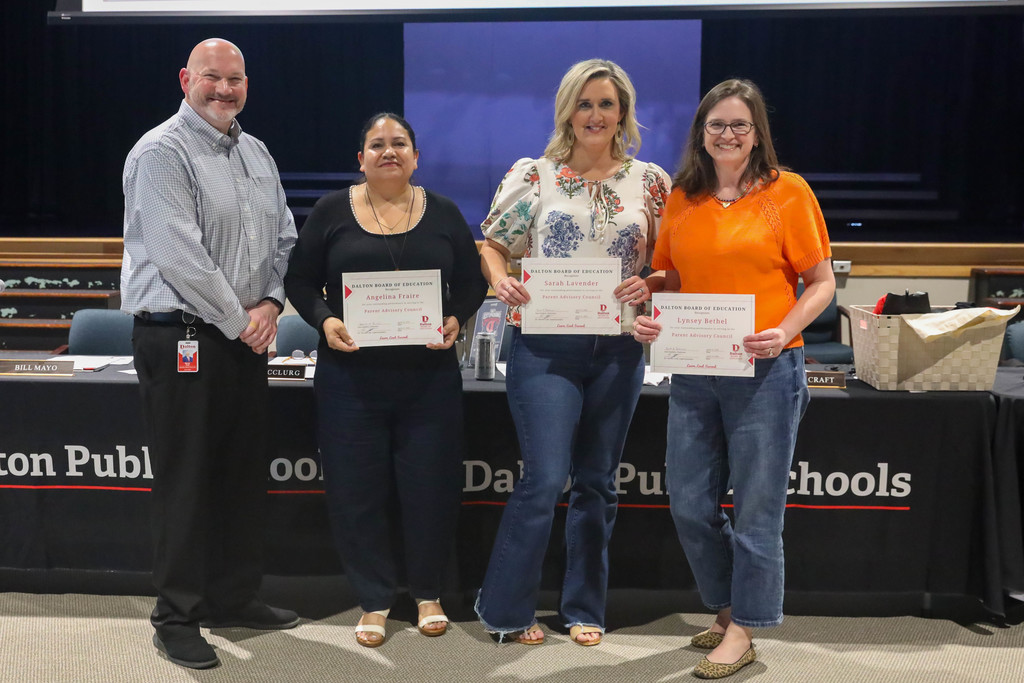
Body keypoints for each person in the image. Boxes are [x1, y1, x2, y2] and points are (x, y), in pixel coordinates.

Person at [632, 78, 834, 679]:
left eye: (739, 125)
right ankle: (728, 609)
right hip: (696, 368)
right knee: (690, 501)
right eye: (716, 124)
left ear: (756, 135)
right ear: (701, 132)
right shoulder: (682, 198)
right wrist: (648, 304)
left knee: (757, 509)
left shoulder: (787, 192)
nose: (727, 134)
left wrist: (785, 328)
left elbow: (821, 282)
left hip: (768, 368)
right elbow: (668, 277)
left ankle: (744, 629)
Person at [474, 59, 669, 646]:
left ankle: (584, 607)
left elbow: (669, 263)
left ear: (623, 114)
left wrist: (652, 284)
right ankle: (505, 609)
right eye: (584, 104)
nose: (595, 115)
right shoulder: (535, 175)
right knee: (546, 477)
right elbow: (492, 243)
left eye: (606, 104)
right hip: (544, 345)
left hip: (618, 348)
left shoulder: (651, 182)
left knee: (598, 482)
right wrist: (500, 279)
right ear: (567, 110)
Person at [121, 38, 299, 670]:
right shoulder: (162, 150)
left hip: (244, 336)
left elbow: (285, 236)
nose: (224, 89)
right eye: (212, 78)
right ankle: (176, 616)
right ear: (185, 79)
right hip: (182, 339)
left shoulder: (257, 152)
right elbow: (179, 253)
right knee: (186, 481)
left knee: (239, 474)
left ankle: (233, 596)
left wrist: (272, 306)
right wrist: (240, 320)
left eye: (235, 79)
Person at [284, 113, 487, 648]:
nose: (389, 151)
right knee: (357, 492)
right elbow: (300, 280)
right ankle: (373, 599)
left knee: (431, 490)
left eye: (400, 143)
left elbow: (470, 283)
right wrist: (325, 320)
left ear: (416, 157)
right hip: (350, 382)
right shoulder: (331, 211)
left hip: (429, 382)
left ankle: (428, 594)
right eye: (377, 144)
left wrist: (455, 319)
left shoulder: (443, 212)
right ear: (361, 159)